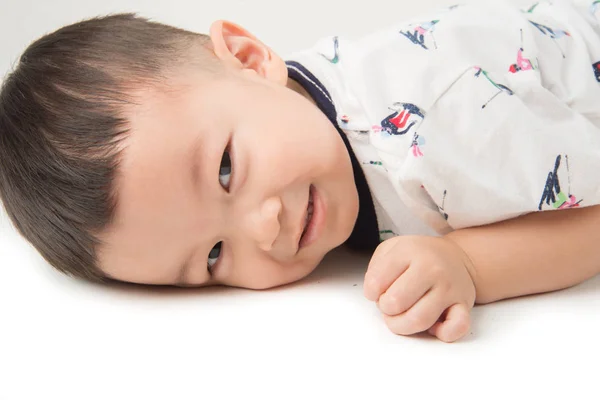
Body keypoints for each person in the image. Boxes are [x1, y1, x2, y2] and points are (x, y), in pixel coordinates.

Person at [2, 0, 600, 343]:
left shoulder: (436, 129)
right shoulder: (281, 104)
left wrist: (471, 265)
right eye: (213, 255)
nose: (264, 230)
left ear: (249, 58)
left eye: (226, 171)